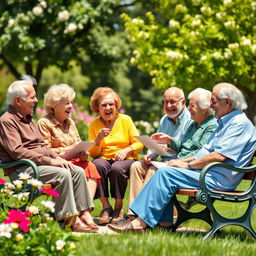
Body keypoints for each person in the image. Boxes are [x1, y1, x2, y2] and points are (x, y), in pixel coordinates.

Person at [108, 82, 256, 233]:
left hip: (217, 178)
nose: (211, 106)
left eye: (214, 101)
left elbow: (219, 156)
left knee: (166, 173)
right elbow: (204, 152)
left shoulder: (238, 124)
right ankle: (164, 223)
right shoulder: (225, 122)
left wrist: (188, 165)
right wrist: (180, 161)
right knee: (167, 169)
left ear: (228, 102)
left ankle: (139, 223)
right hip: (208, 173)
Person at [0, 79, 98, 232]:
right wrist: (51, 161)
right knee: (63, 174)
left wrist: (57, 158)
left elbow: (42, 146)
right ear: (18, 100)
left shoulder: (28, 118)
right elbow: (17, 152)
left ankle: (83, 213)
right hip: (22, 170)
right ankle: (68, 220)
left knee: (77, 171)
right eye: (32, 97)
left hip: (37, 165)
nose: (36, 100)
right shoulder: (6, 121)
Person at [126, 88, 217, 218]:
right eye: (165, 102)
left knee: (154, 170)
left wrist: (174, 154)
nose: (168, 106)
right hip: (173, 162)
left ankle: (143, 216)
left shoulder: (196, 121)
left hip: (186, 166)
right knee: (136, 166)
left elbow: (200, 154)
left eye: (172, 102)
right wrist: (165, 144)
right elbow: (183, 146)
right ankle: (133, 214)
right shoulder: (192, 122)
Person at [88, 87, 143, 224]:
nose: (108, 108)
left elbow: (139, 143)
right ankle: (106, 207)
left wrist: (126, 151)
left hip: (126, 158)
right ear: (97, 108)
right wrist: (98, 140)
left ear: (116, 105)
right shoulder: (94, 124)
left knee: (117, 168)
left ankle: (118, 207)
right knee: (97, 165)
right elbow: (93, 153)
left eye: (111, 104)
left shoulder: (126, 120)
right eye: (104, 105)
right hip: (104, 157)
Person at [38, 84, 100, 199]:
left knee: (91, 166)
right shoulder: (44, 123)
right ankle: (79, 211)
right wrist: (71, 148)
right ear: (54, 106)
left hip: (73, 161)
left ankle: (85, 210)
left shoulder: (70, 122)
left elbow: (78, 143)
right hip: (56, 164)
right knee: (76, 170)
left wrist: (83, 153)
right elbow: (45, 151)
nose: (71, 106)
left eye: (71, 102)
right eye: (66, 103)